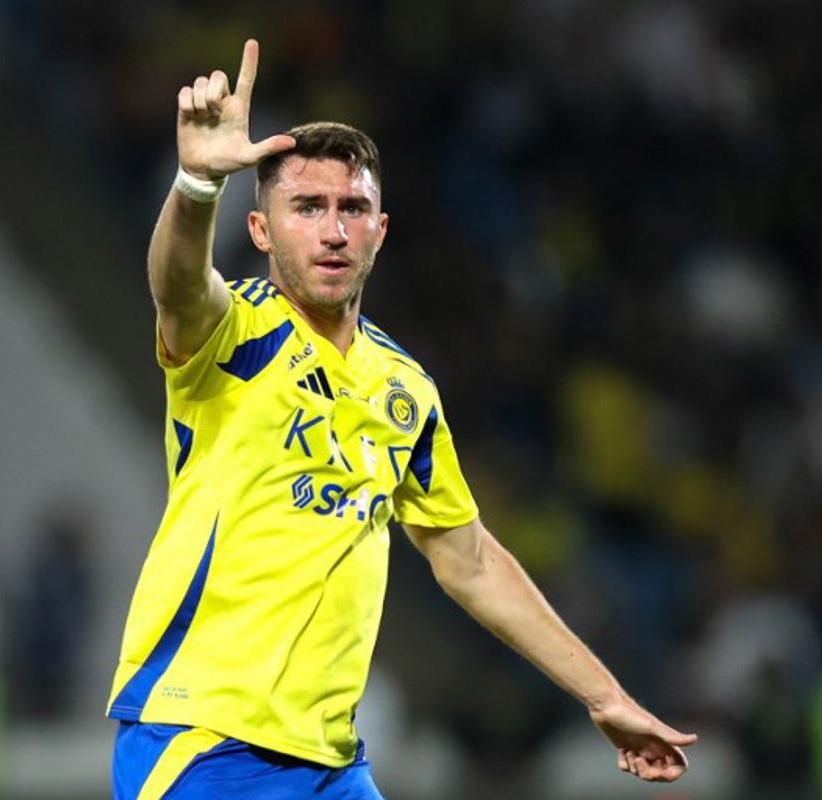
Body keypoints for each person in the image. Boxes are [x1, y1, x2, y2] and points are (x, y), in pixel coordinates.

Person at [107, 39, 697, 799]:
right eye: (307, 208)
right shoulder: (233, 334)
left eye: (352, 209)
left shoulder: (405, 391)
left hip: (332, 762)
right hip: (202, 740)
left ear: (380, 233)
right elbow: (178, 286)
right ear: (260, 231)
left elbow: (471, 560)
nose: (332, 230)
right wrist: (196, 185)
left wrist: (605, 696)